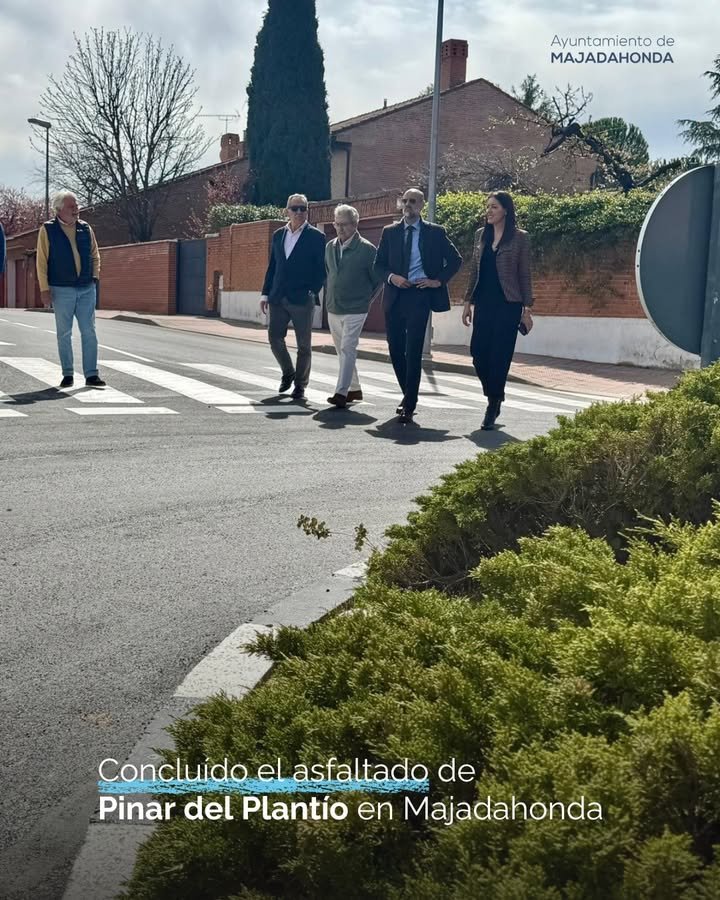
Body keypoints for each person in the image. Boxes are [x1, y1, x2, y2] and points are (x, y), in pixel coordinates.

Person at [373, 188, 462, 423]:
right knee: (395, 349)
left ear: (422, 204)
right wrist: (393, 277)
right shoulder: (389, 232)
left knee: (413, 350)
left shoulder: (435, 233)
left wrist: (437, 281)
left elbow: (455, 260)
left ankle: (409, 403)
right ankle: (407, 393)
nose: (408, 204)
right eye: (406, 201)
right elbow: (378, 265)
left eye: (413, 201)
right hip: (395, 295)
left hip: (420, 296)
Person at [462, 191, 534, 430]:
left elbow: (524, 274)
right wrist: (467, 303)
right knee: (478, 353)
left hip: (508, 304)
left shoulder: (520, 238)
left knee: (500, 356)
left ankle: (492, 405)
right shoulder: (481, 235)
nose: (489, 211)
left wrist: (527, 309)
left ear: (505, 210)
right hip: (484, 302)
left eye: (494, 207)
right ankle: (495, 393)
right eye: (488, 207)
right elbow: (474, 270)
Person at [260, 193, 326, 400]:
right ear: (286, 211)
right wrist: (265, 293)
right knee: (274, 339)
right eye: (295, 208)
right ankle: (288, 372)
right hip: (278, 296)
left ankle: (300, 385)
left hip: (302, 298)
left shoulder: (317, 236)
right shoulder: (278, 235)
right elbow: (273, 266)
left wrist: (312, 291)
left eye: (303, 209)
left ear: (307, 211)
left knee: (304, 346)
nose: (299, 212)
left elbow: (321, 269)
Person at [36, 190, 104, 388]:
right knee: (64, 333)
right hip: (61, 289)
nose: (76, 210)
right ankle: (68, 374)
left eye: (77, 206)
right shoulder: (47, 230)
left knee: (89, 331)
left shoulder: (85, 228)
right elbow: (41, 262)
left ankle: (91, 374)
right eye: (71, 207)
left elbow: (95, 254)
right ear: (59, 209)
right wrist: (44, 289)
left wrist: (95, 277)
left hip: (86, 288)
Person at [324, 204, 382, 408]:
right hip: (333, 307)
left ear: (355, 224)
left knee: (348, 348)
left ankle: (341, 392)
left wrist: (366, 301)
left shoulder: (367, 249)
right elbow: (329, 273)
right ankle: (355, 389)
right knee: (342, 351)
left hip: (356, 309)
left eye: (345, 225)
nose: (340, 229)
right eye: (337, 224)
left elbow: (378, 280)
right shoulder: (329, 246)